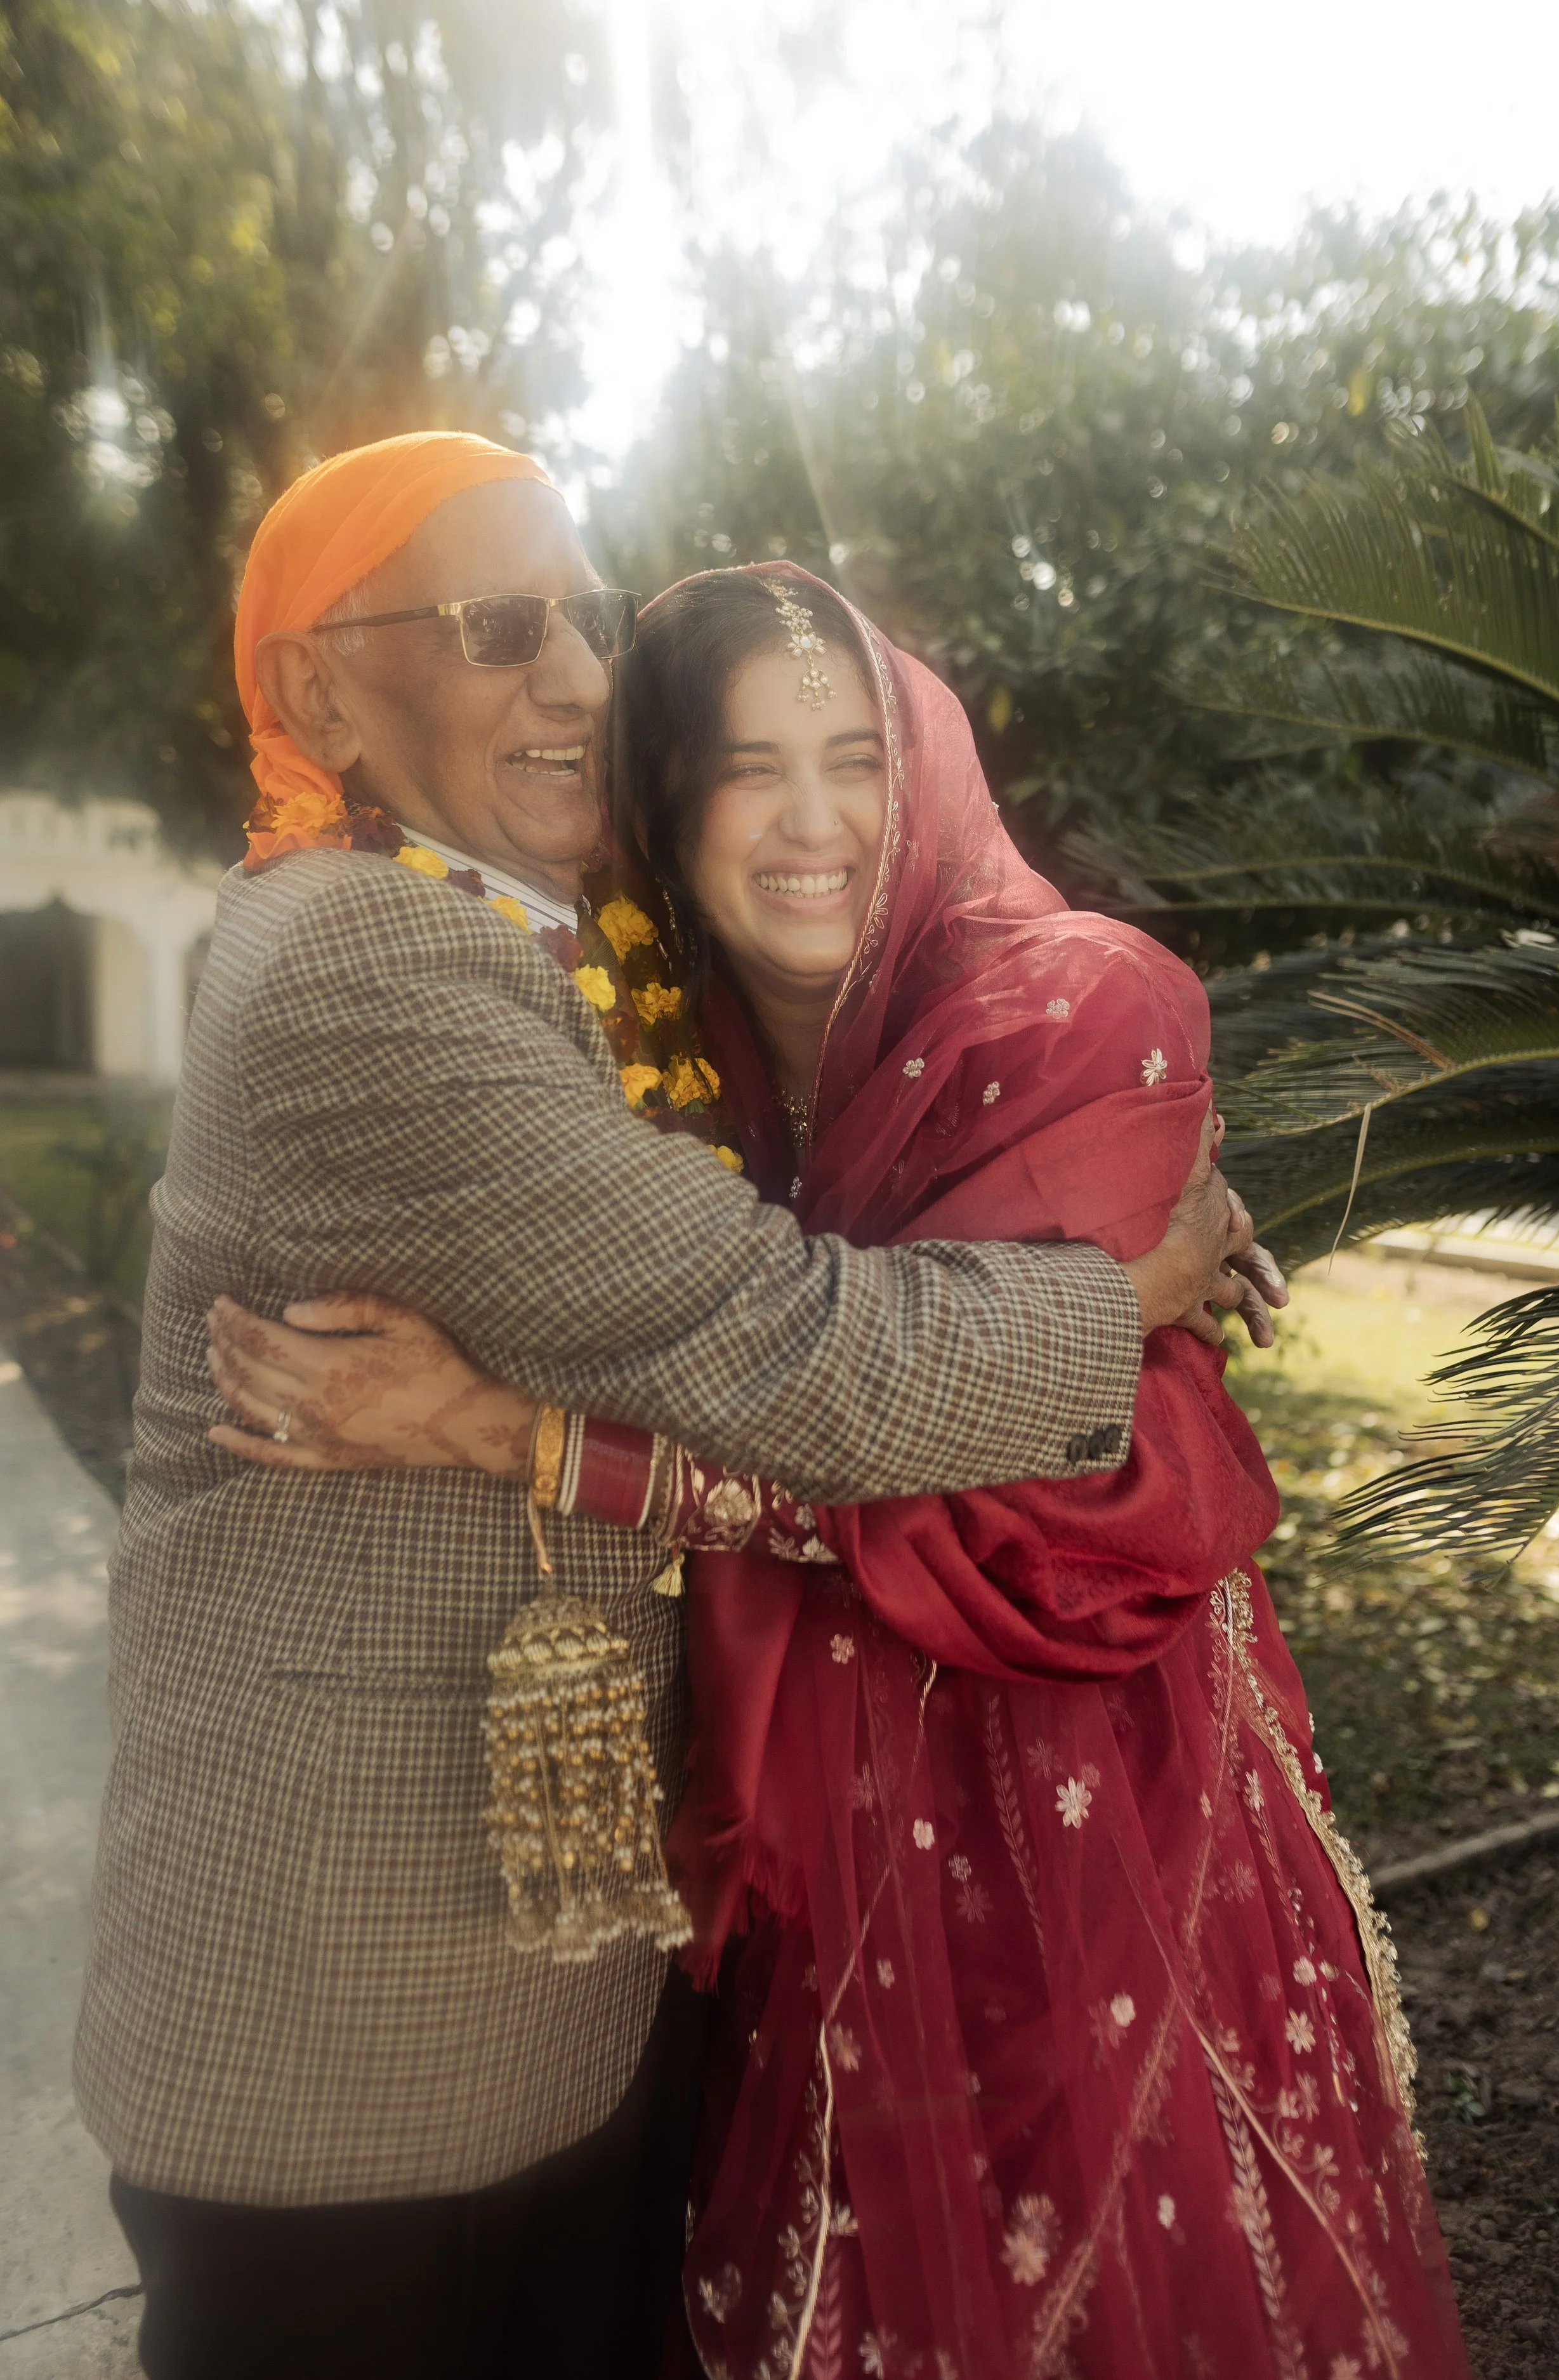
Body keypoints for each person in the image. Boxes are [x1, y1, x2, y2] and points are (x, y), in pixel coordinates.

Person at [78, 439, 1259, 2380]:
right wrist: (1118, 1295)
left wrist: (1134, 1177)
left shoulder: (565, 940)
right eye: (489, 625)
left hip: (552, 1979)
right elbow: (792, 1343)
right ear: (317, 696)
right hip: (347, 2024)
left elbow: (899, 1120)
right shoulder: (365, 955)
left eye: (583, 617)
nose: (568, 677)